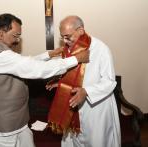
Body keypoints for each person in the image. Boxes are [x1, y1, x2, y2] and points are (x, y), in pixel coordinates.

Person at [0, 13, 89, 147]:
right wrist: (76, 59)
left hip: (18, 120)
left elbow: (23, 63)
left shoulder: (2, 51)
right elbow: (35, 69)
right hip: (4, 125)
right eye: (15, 36)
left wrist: (49, 54)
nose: (17, 41)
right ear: (2, 33)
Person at [46, 15, 121, 147]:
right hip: (73, 106)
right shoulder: (68, 49)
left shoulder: (100, 49)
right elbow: (72, 74)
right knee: (73, 141)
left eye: (68, 36)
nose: (65, 40)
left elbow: (109, 81)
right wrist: (60, 82)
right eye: (62, 36)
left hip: (96, 109)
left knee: (97, 141)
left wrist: (86, 91)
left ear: (80, 31)